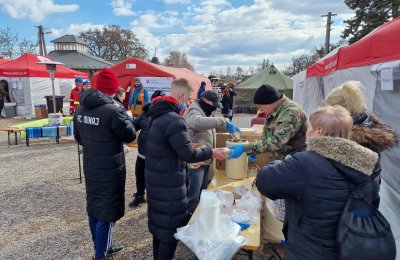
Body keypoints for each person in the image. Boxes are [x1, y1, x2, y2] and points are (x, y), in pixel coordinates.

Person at [255, 105, 379, 260]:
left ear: (319, 131)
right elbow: (373, 203)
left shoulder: (306, 162)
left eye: (309, 128)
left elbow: (265, 182)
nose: (306, 132)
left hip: (309, 250)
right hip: (349, 248)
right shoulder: (369, 165)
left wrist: (280, 163)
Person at [145, 78, 226, 260]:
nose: (189, 102)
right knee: (170, 232)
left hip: (155, 179)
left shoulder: (154, 115)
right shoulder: (174, 120)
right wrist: (211, 151)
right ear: (181, 95)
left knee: (159, 227)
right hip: (170, 184)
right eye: (189, 98)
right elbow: (188, 155)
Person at [73, 68, 136, 260]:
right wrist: (127, 116)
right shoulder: (113, 110)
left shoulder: (81, 108)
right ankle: (100, 254)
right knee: (107, 213)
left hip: (91, 164)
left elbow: (78, 137)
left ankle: (100, 246)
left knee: (94, 207)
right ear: (112, 89)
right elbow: (130, 135)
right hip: (110, 168)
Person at [325, 81, 399, 207]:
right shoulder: (367, 126)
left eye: (331, 110)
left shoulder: (354, 139)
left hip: (354, 208)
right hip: (366, 198)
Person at [184, 90, 240, 213]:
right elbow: (198, 123)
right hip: (196, 160)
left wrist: (228, 128)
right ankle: (189, 217)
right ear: (205, 101)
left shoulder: (206, 111)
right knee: (193, 193)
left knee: (203, 190)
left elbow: (210, 126)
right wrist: (224, 121)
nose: (214, 108)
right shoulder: (193, 112)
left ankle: (200, 215)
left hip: (205, 158)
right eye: (213, 105)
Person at [228, 84, 307, 161]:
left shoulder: (291, 112)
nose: (260, 109)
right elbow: (266, 135)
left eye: (260, 106)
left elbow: (277, 142)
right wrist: (255, 150)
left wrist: (247, 148)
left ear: (269, 102)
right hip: (279, 161)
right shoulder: (273, 110)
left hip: (294, 161)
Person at [128, 90, 166, 208]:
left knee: (157, 180)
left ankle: (158, 202)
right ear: (153, 101)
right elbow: (133, 125)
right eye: (158, 100)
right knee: (139, 176)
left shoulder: (167, 114)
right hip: (142, 153)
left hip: (157, 156)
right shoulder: (145, 113)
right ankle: (140, 197)